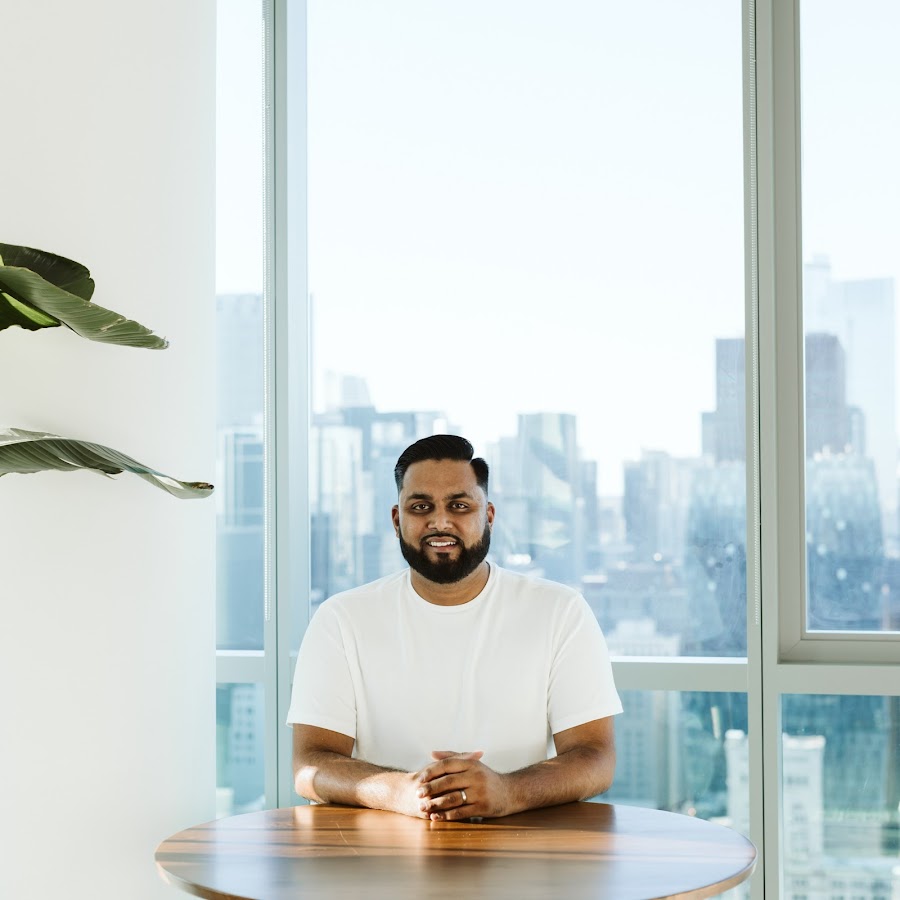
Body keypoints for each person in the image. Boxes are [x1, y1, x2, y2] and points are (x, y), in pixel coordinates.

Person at [287, 434, 622, 821]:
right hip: (380, 855)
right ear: (397, 520)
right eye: (420, 506)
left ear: (489, 516)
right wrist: (403, 792)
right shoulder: (340, 619)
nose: (440, 521)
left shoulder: (561, 611)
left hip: (522, 849)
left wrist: (508, 791)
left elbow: (596, 757)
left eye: (459, 505)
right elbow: (309, 764)